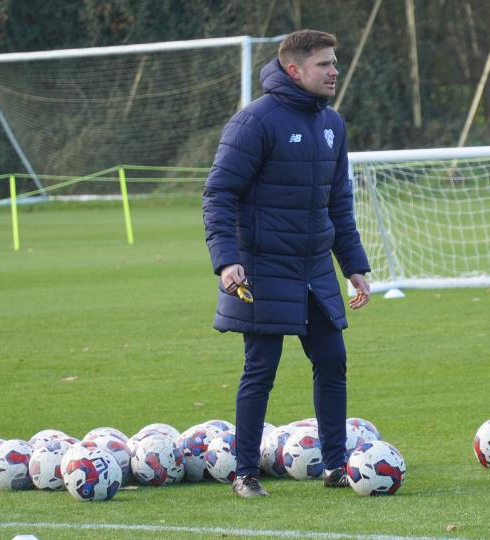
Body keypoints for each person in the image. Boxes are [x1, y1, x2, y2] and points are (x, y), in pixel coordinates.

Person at [202, 29, 371, 498]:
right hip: (261, 269)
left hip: (314, 269)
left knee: (332, 359)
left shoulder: (333, 124)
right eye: (324, 64)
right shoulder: (254, 122)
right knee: (261, 368)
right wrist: (226, 261)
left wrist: (353, 265)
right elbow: (219, 194)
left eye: (334, 62)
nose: (334, 71)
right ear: (295, 70)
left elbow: (338, 202)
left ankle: (335, 466)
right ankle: (245, 473)